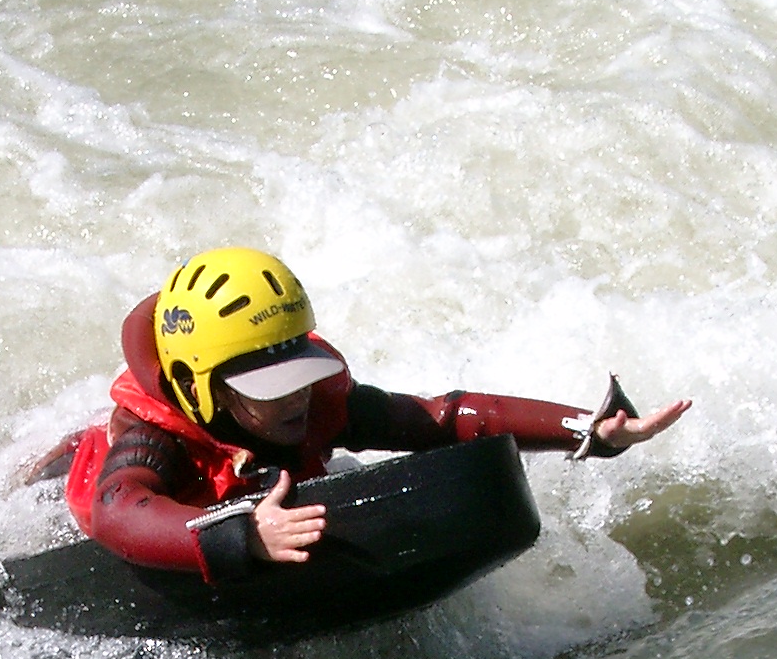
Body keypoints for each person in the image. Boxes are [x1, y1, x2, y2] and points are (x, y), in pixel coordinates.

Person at [44, 247, 687, 583]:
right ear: (200, 387)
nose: (297, 395)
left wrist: (590, 429)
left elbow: (443, 418)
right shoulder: (152, 437)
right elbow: (118, 509)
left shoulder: (315, 404)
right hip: (85, 500)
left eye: (299, 372)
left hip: (245, 495)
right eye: (272, 386)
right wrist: (240, 536)